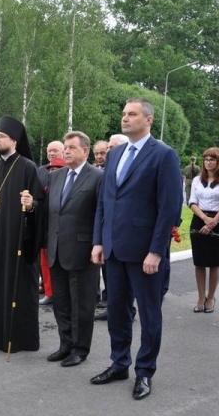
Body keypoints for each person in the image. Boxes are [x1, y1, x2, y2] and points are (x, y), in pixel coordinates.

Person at [90, 99, 181, 400]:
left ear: (149, 120)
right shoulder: (114, 155)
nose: (125, 118)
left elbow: (168, 208)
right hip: (114, 250)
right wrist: (99, 241)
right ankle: (119, 363)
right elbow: (105, 202)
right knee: (117, 310)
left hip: (145, 253)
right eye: (123, 114)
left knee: (150, 314)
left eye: (132, 114)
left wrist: (157, 251)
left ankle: (144, 371)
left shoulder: (163, 155)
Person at [0, 116, 44, 353]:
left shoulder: (27, 167)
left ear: (14, 140)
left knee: (15, 288)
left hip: (17, 241)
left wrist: (31, 203)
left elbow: (40, 203)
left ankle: (18, 338)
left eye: (0, 136)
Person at [45, 131, 102, 368]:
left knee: (82, 304)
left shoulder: (97, 177)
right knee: (62, 303)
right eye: (65, 147)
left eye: (71, 147)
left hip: (83, 251)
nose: (65, 151)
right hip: (56, 250)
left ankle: (80, 349)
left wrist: (98, 244)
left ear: (85, 151)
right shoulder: (56, 176)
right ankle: (65, 344)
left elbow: (102, 214)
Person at [189, 147, 219, 313]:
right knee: (199, 262)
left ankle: (211, 297)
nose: (208, 162)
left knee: (215, 262)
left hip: (218, 221)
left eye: (212, 159)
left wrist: (212, 223)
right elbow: (192, 202)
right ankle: (201, 297)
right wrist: (204, 219)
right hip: (199, 220)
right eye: (206, 159)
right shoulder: (196, 180)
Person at [94, 134, 129, 320]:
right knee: (110, 277)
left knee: (124, 283)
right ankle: (114, 308)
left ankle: (125, 311)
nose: (107, 152)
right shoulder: (107, 170)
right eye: (107, 148)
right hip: (107, 234)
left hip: (125, 236)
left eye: (111, 148)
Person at [38, 141, 65, 304]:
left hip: (62, 226)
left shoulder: (68, 171)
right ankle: (48, 291)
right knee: (45, 259)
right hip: (45, 223)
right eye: (49, 151)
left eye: (55, 150)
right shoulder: (41, 170)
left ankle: (56, 293)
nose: (52, 153)